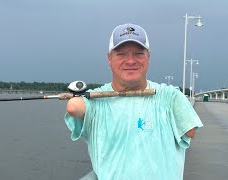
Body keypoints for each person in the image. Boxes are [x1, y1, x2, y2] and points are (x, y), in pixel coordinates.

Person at [65, 23, 203, 180]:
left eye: (138, 53)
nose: (130, 61)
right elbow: (73, 108)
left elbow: (190, 131)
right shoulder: (95, 100)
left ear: (148, 57)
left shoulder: (170, 96)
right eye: (121, 54)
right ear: (109, 58)